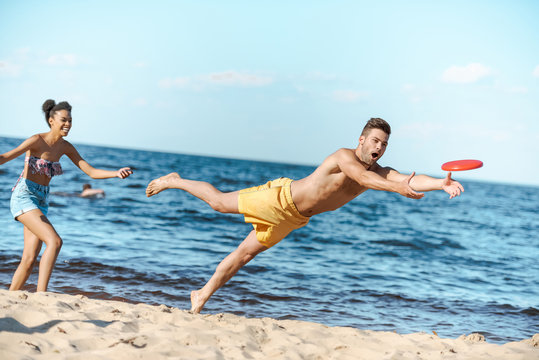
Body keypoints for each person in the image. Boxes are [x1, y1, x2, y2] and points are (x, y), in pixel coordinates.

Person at [145, 118, 464, 313]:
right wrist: (397, 189)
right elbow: (367, 180)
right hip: (278, 199)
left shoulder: (380, 171)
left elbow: (408, 179)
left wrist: (440, 183)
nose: (379, 147)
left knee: (243, 256)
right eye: (375, 140)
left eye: (384, 143)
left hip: (293, 219)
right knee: (218, 203)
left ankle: (200, 296)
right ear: (362, 140)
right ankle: (176, 180)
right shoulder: (344, 157)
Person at [0, 99, 133, 292]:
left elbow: (91, 171)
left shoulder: (65, 147)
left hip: (42, 200)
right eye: (64, 120)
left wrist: (116, 173)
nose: (68, 124)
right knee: (54, 241)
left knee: (29, 260)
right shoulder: (37, 140)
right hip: (24, 196)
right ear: (51, 120)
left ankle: (9, 299)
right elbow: (6, 157)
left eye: (70, 120)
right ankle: (42, 295)